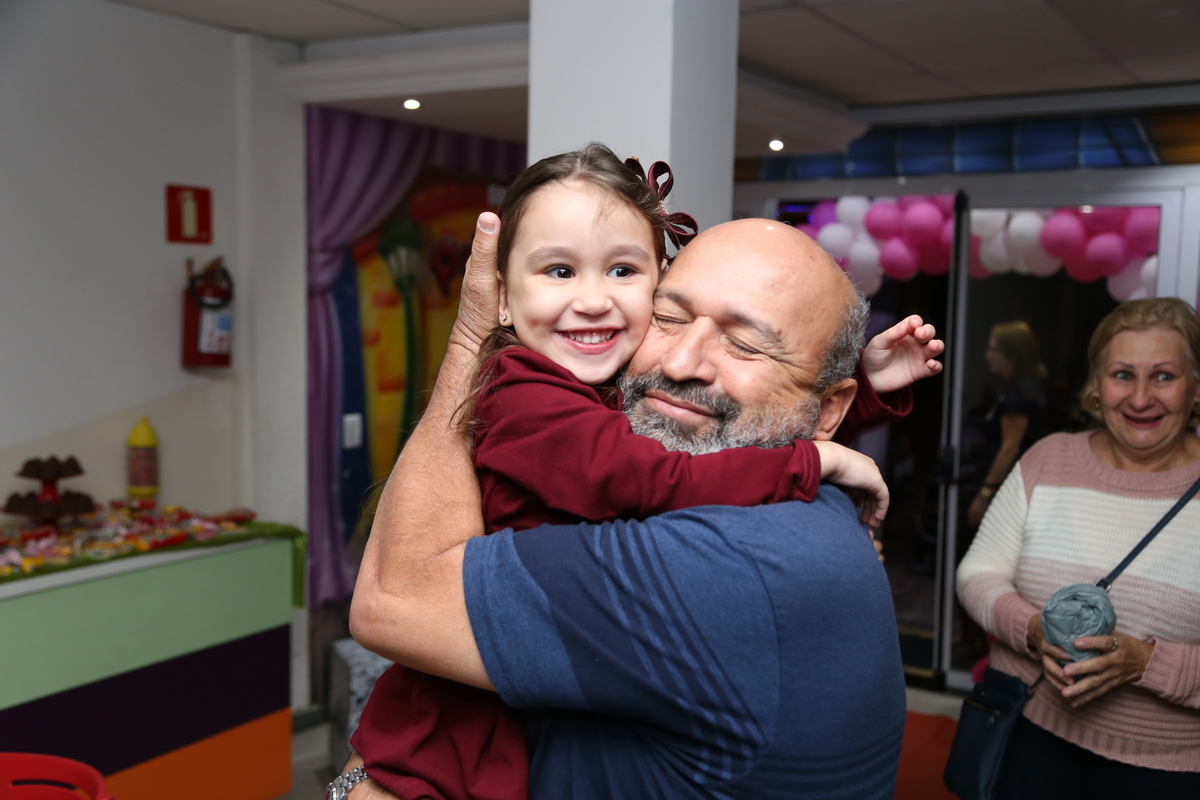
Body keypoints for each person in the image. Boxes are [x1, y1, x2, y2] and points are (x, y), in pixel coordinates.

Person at [349, 145, 939, 800]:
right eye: (670, 317)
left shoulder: (732, 563)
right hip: (455, 725)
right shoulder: (539, 395)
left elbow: (393, 600)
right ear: (505, 298)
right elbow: (702, 457)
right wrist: (815, 452)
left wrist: (846, 412)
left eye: (745, 344)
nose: (680, 362)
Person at [957, 297, 1200, 798]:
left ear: (1195, 387)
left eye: (1163, 376)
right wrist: (1032, 629)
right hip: (1027, 732)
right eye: (1122, 375)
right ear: (1096, 384)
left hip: (1165, 770)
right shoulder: (1050, 459)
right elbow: (977, 573)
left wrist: (1146, 663)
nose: (1140, 398)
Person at [965, 320, 1046, 528]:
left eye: (994, 349)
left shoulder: (1019, 392)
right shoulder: (1018, 387)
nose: (987, 355)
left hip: (1011, 491)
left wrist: (984, 495)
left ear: (1013, 353)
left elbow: (1010, 447)